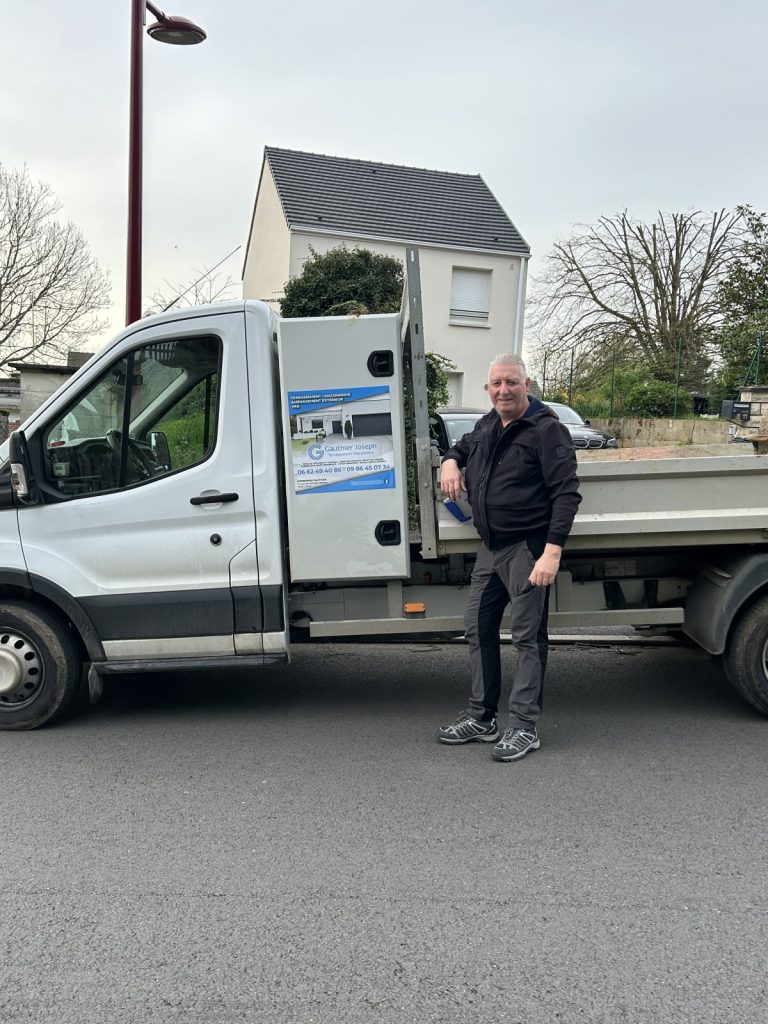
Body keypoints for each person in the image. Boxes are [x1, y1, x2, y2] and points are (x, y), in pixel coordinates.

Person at [437, 353, 581, 762]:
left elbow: (566, 494)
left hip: (528, 548)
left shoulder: (546, 430)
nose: (503, 390)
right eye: (496, 384)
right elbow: (462, 446)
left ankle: (523, 727)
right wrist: (451, 461)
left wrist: (551, 553)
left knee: (527, 638)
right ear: (488, 389)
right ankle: (482, 718)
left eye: (511, 383)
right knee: (477, 627)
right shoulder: (487, 423)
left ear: (527, 385)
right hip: (491, 548)